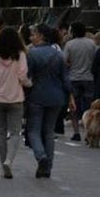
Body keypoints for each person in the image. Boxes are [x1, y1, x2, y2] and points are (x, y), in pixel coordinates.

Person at [26, 24, 72, 179]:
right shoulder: (58, 54)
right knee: (49, 132)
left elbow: (27, 76)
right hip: (57, 97)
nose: (31, 37)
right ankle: (48, 166)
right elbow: (65, 79)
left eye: (33, 34)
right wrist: (70, 97)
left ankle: (41, 157)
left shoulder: (31, 54)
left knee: (33, 130)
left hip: (37, 96)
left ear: (40, 35)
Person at [0, 26, 31, 179]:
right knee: (15, 133)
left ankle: (2, 165)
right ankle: (8, 161)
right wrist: (29, 84)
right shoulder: (20, 55)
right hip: (15, 98)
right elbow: (22, 76)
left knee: (0, 131)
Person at [63, 21, 97, 142]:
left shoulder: (69, 45)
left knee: (74, 106)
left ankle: (76, 132)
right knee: (89, 107)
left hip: (74, 77)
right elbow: (96, 59)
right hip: (89, 77)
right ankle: (89, 131)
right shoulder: (92, 43)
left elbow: (64, 61)